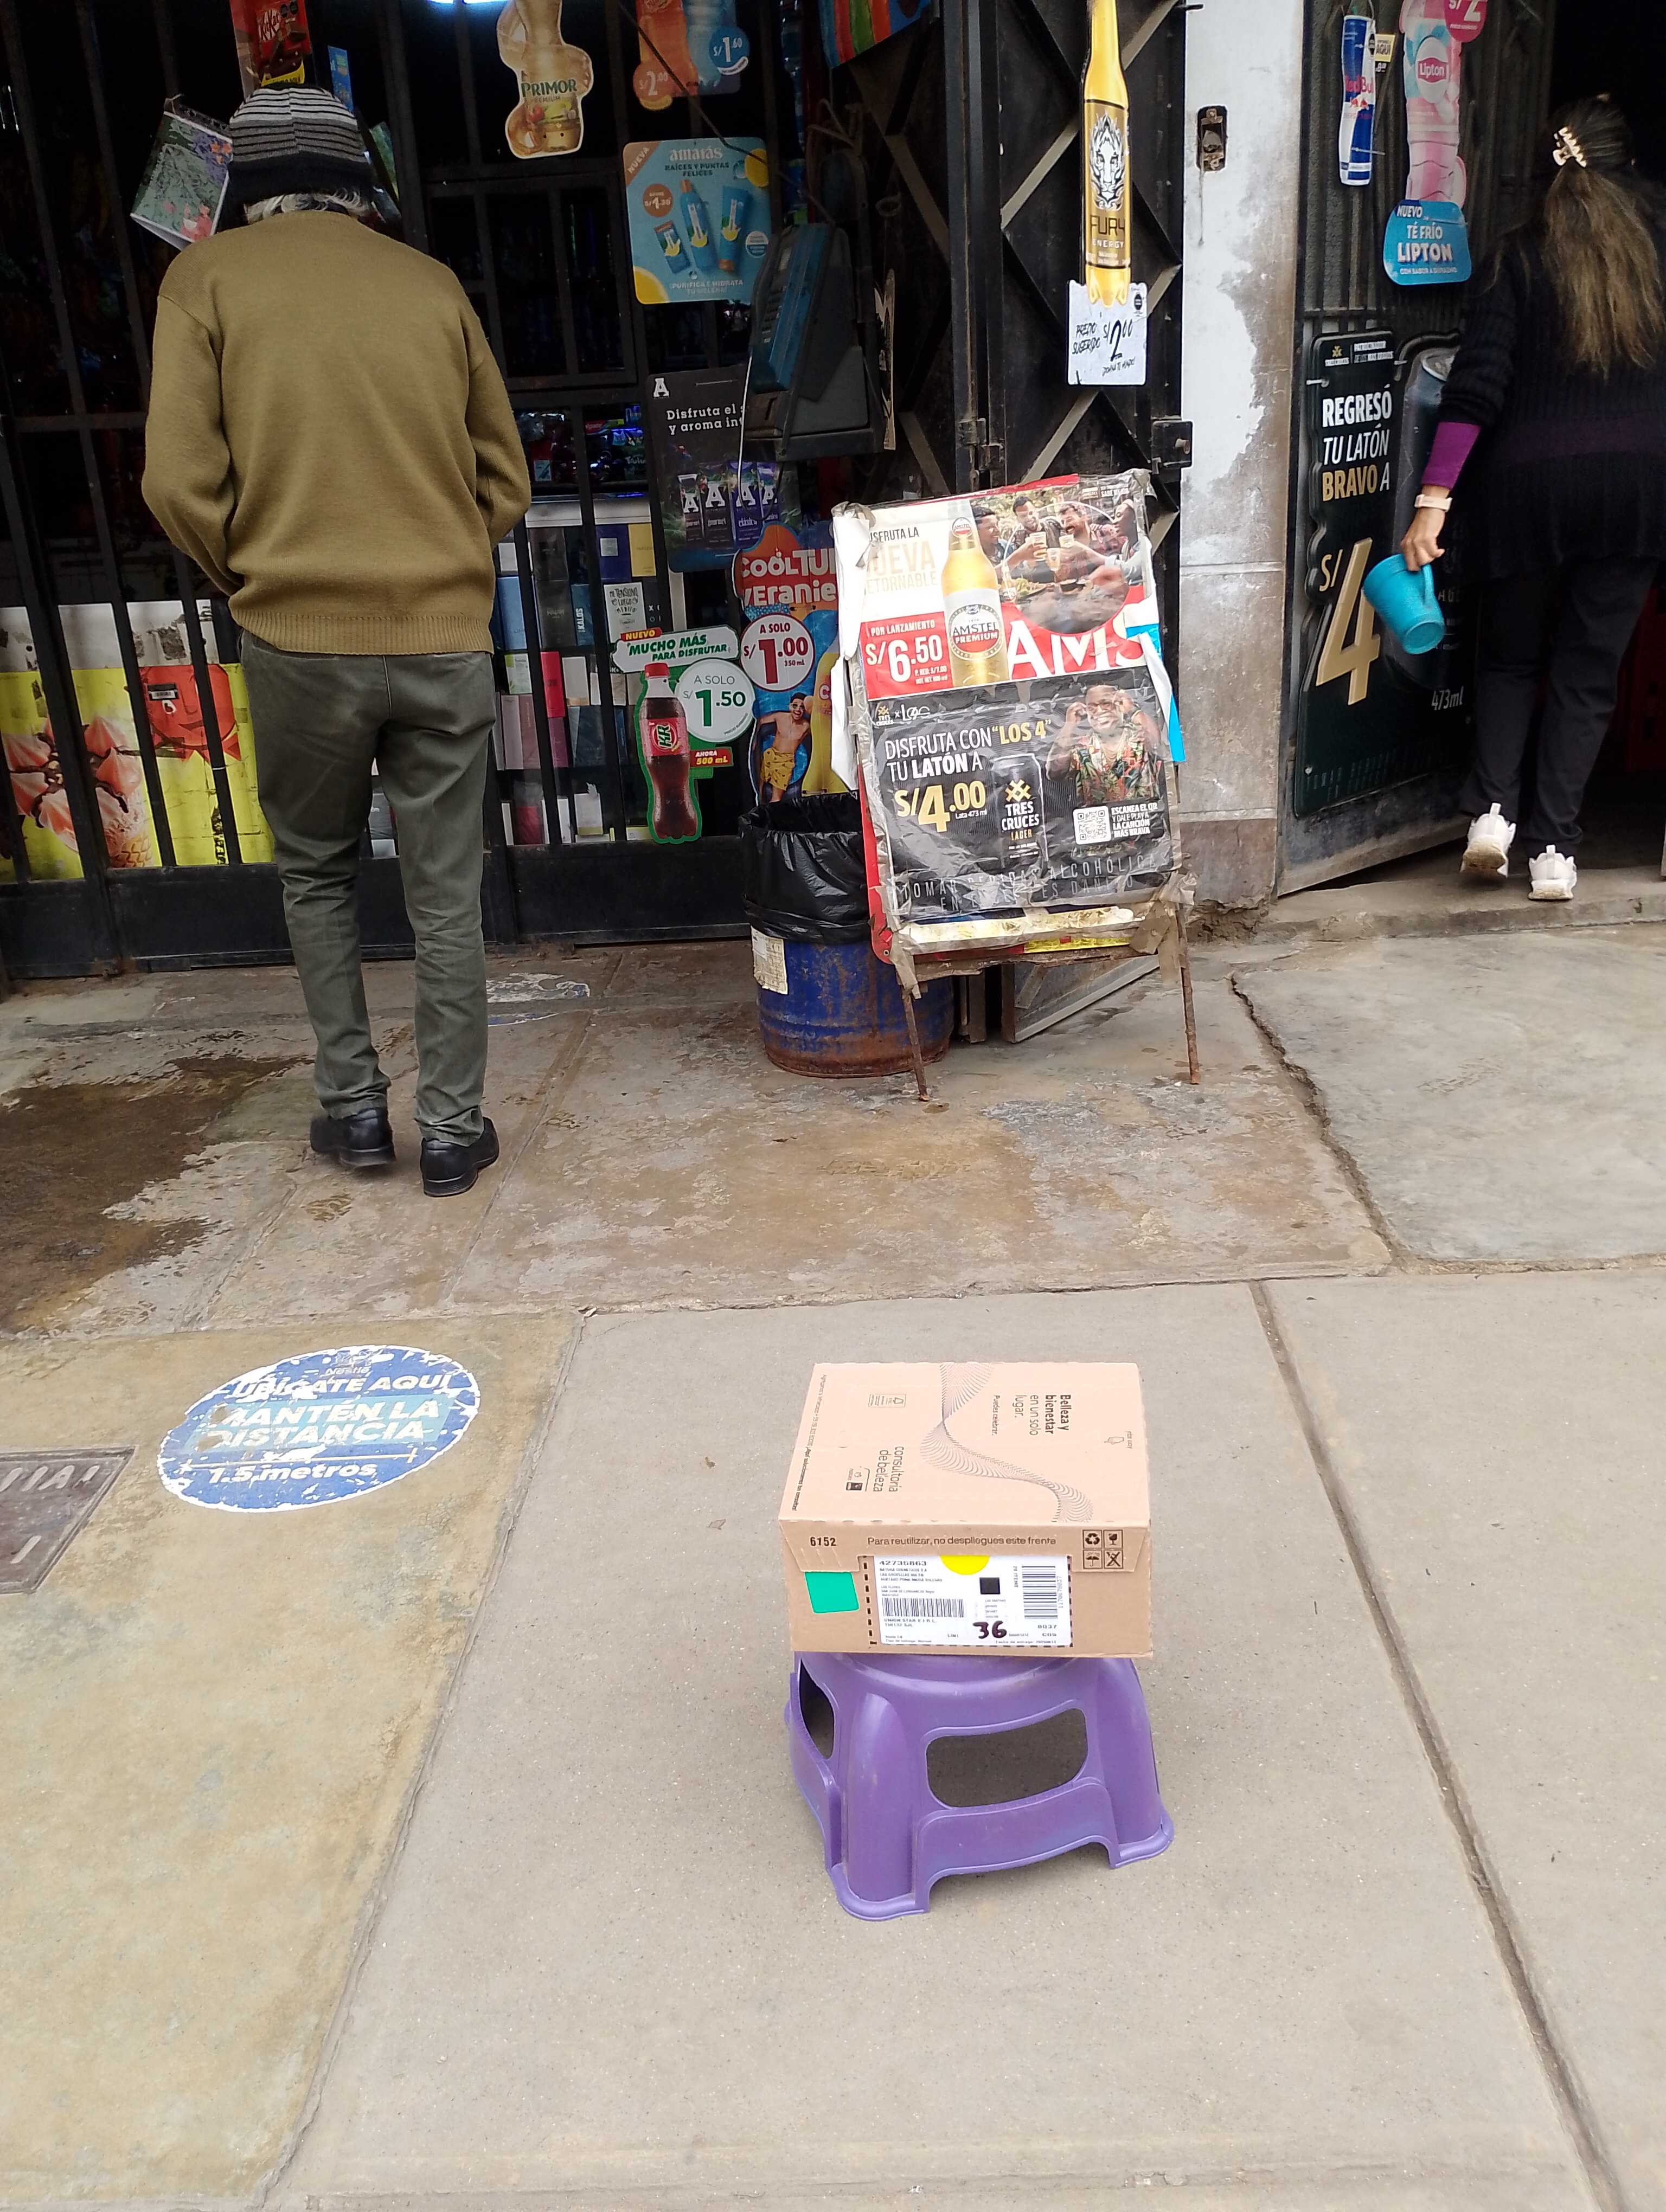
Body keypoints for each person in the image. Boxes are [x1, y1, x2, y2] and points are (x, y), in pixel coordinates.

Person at [143, 87, 531, 1195]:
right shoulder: (430, 285)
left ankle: (355, 1112)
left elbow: (174, 482)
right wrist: (437, 559)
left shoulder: (205, 281)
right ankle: (452, 1132)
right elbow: (504, 480)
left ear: (248, 186)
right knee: (446, 894)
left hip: (296, 635)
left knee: (316, 874)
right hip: (441, 636)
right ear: (360, 183)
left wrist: (255, 577)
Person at [1401, 94, 1666, 904]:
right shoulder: (1658, 256)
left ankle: (1491, 816)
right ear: (1629, 168)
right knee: (1588, 674)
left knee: (1510, 659)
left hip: (1527, 491)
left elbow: (1477, 387)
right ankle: (1555, 851)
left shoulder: (1517, 256)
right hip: (1637, 491)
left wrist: (1434, 501)